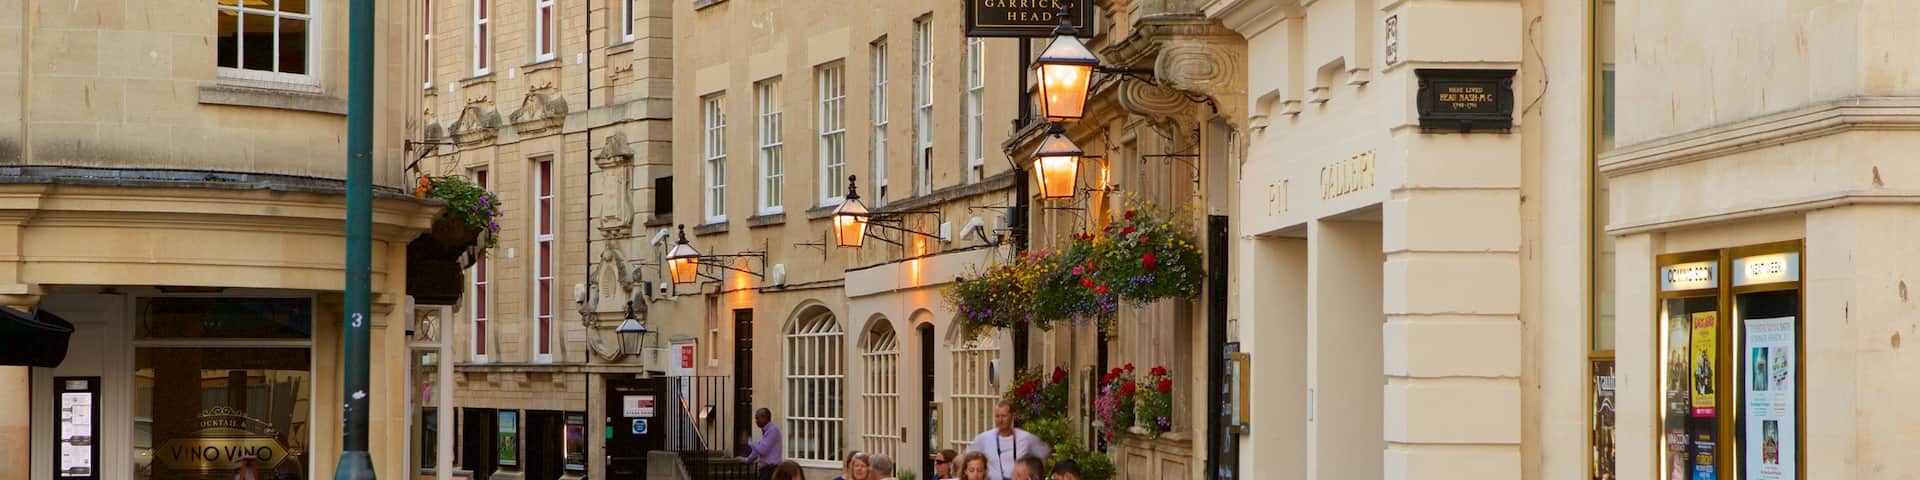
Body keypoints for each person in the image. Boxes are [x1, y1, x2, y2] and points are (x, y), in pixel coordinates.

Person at [966, 400, 1051, 480]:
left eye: (1004, 416)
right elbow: (967, 458)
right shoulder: (984, 438)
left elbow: (1044, 455)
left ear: (1012, 416)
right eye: (997, 416)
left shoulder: (1026, 438)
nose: (1000, 420)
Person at [741, 408, 784, 480]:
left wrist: (748, 441)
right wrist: (746, 459)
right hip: (765, 471)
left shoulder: (772, 430)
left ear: (765, 417)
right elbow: (758, 450)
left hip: (771, 470)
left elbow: (762, 450)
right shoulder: (766, 431)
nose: (756, 421)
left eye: (757, 418)